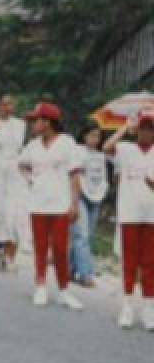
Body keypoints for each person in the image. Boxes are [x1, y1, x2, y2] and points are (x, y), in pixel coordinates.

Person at [17, 102, 84, 309]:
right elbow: (21, 164)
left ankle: (64, 289)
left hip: (60, 204)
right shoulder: (33, 145)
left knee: (60, 249)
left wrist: (74, 202)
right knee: (40, 246)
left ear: (48, 122)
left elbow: (74, 174)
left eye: (37, 120)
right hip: (38, 202)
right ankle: (40, 285)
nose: (34, 124)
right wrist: (30, 179)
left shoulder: (67, 143)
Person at [103, 111, 154, 329]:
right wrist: (125, 126)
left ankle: (149, 307)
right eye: (143, 127)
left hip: (151, 215)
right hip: (129, 213)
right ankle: (127, 305)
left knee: (150, 263)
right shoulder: (126, 149)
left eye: (150, 128)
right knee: (129, 262)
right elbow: (107, 147)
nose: (146, 132)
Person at [0, 93, 27, 271]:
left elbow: (21, 149)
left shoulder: (20, 124)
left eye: (10, 104)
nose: (7, 107)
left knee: (17, 211)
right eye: (3, 104)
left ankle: (10, 254)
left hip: (15, 169)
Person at [71, 123, 109, 287]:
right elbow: (74, 174)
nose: (94, 139)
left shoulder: (101, 155)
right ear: (84, 135)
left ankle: (71, 269)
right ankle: (85, 274)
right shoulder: (77, 151)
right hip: (80, 195)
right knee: (82, 235)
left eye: (97, 136)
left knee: (87, 235)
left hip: (96, 196)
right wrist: (74, 197)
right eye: (91, 135)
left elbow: (103, 176)